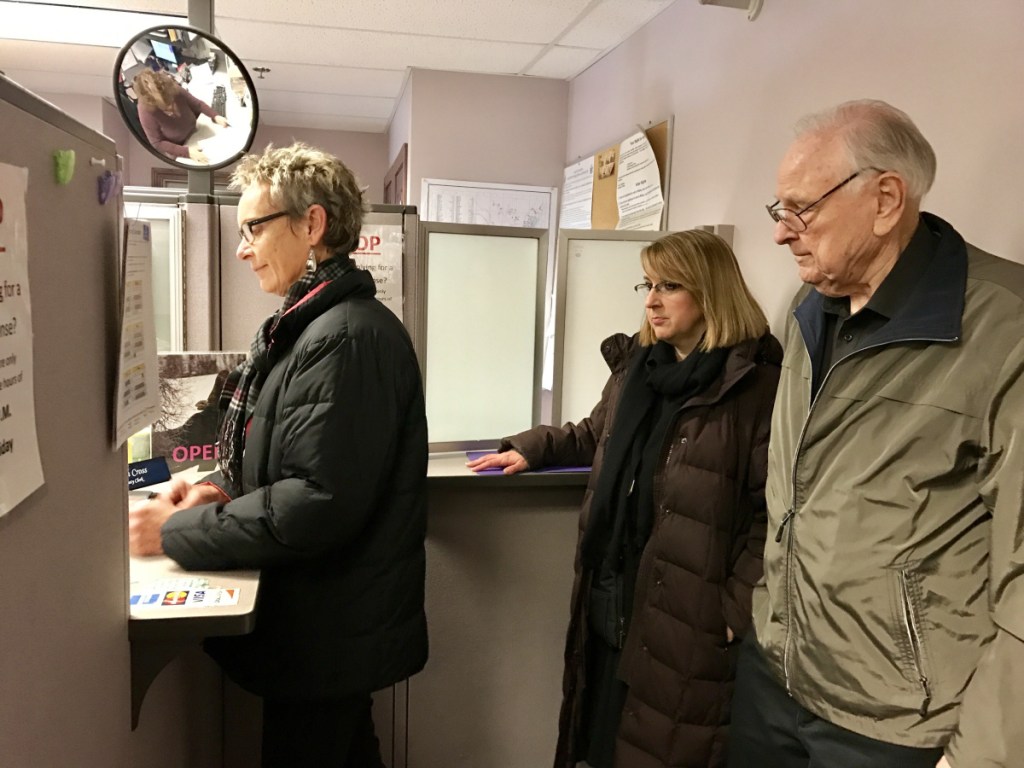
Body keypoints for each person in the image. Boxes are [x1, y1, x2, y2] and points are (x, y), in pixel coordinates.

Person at [729, 99, 1024, 768]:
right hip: (774, 677)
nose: (782, 233)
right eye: (779, 211)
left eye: (800, 209)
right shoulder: (807, 308)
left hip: (894, 724)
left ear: (886, 199)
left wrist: (986, 754)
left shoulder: (1008, 331)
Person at [128, 142, 428, 768]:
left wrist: (180, 530)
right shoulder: (307, 328)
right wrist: (220, 492)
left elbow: (315, 502)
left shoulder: (344, 337)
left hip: (328, 630)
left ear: (312, 224)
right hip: (327, 627)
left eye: (253, 229)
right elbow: (288, 465)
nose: (241, 249)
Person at [469, 230, 782, 768]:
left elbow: (772, 512)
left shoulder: (755, 389)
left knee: (662, 745)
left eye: (669, 286)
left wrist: (734, 607)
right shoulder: (640, 368)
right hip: (612, 591)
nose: (651, 301)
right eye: (648, 284)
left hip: (686, 611)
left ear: (711, 292)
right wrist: (530, 448)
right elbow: (596, 434)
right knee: (604, 736)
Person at [133, 68, 228, 163]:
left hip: (195, 132)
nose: (169, 107)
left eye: (170, 102)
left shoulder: (171, 88)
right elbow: (157, 143)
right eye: (164, 106)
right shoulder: (145, 111)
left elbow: (197, 104)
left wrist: (215, 116)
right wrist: (187, 152)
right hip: (179, 148)